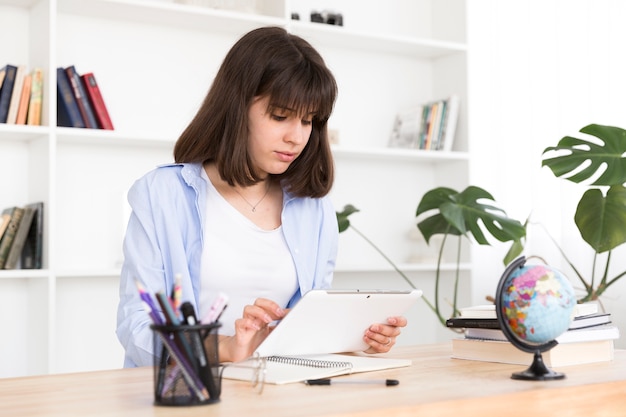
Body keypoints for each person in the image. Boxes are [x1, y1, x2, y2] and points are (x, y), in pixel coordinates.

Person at [116, 26, 407, 367]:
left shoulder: (314, 210)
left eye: (309, 121)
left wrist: (357, 341)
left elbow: (306, 329)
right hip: (187, 392)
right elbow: (136, 325)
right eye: (280, 116)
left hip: (280, 391)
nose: (296, 137)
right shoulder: (162, 195)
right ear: (236, 107)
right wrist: (224, 348)